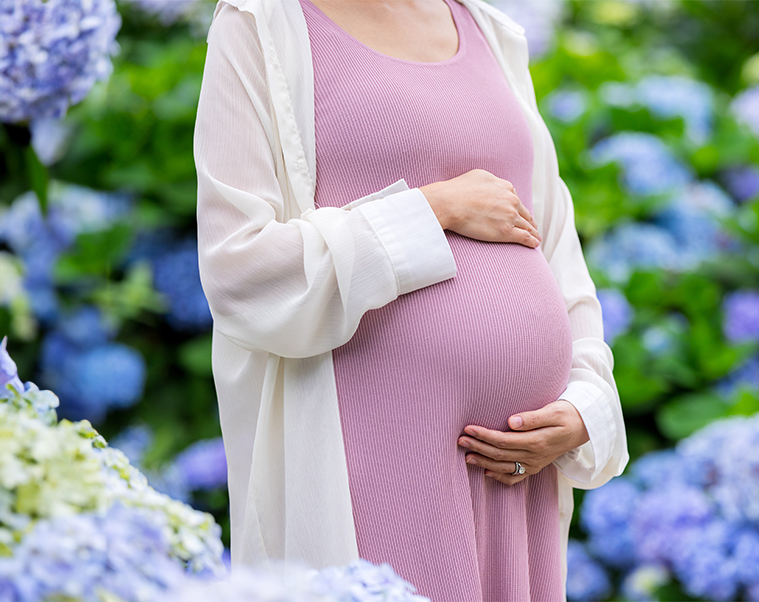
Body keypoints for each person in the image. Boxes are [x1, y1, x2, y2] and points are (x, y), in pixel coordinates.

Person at [192, 0, 628, 599]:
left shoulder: (488, 29)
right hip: (375, 465)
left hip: (517, 479)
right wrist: (429, 211)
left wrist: (585, 408)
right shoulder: (260, 24)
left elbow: (556, 251)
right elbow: (239, 271)